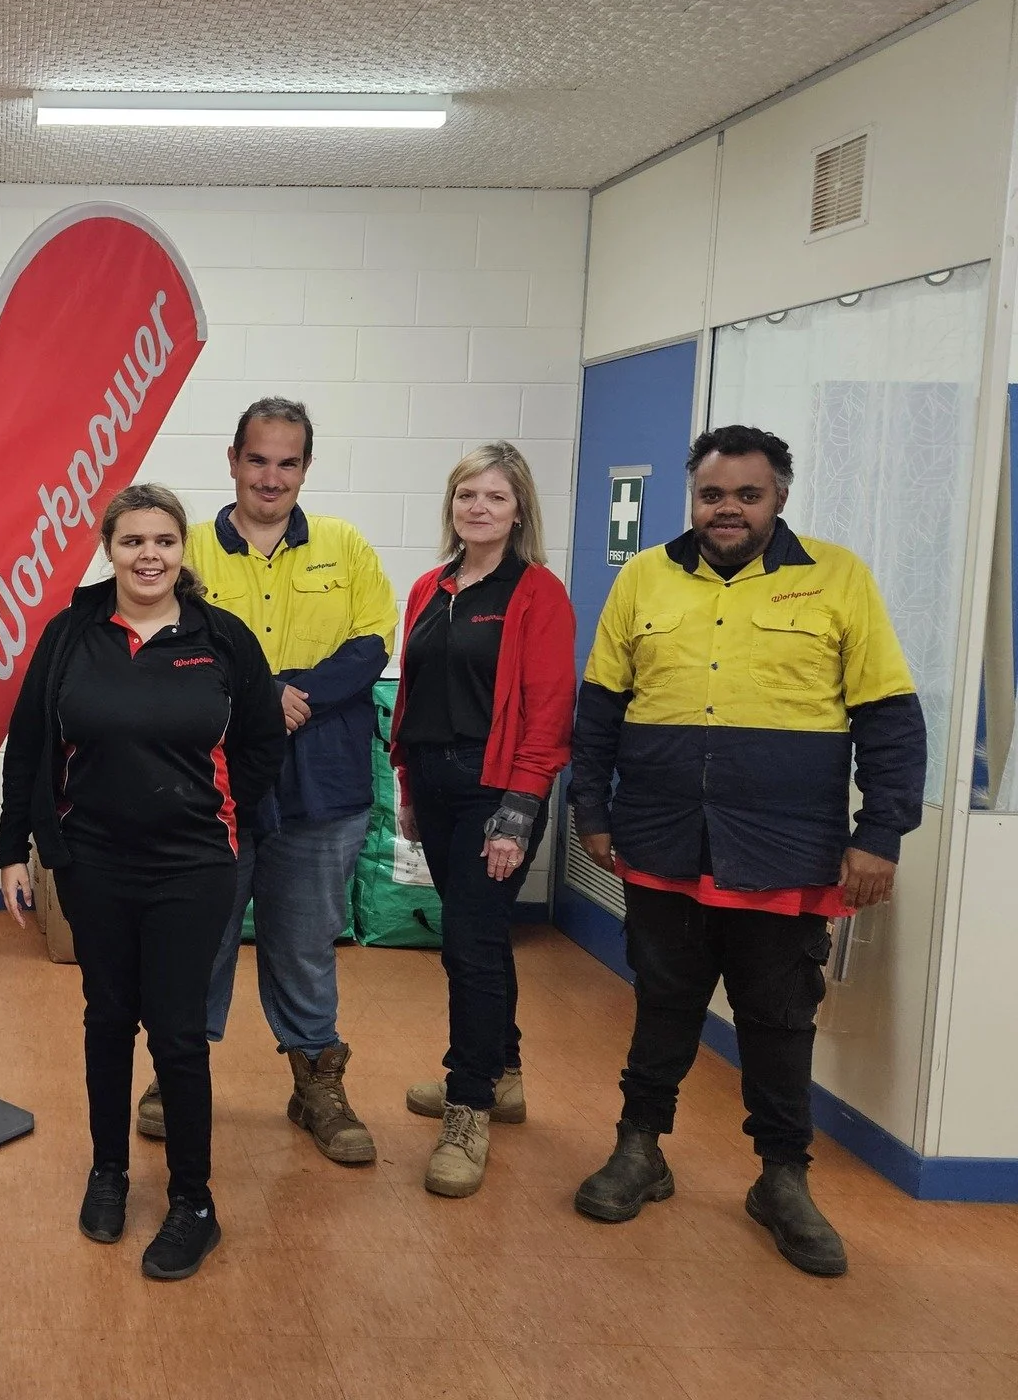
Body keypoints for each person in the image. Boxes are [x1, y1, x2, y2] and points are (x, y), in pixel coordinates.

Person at [570, 425, 926, 1277]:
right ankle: (640, 1147)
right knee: (663, 1003)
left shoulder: (837, 578)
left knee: (778, 1020)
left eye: (747, 495)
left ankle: (782, 1177)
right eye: (712, 494)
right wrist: (591, 811)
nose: (727, 509)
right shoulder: (645, 577)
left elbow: (889, 720)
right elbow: (599, 714)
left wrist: (880, 835)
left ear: (779, 498)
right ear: (693, 497)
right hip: (663, 841)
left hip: (785, 849)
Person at [0, 484, 287, 1281]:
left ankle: (194, 1201)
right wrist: (11, 848)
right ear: (110, 548)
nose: (148, 555)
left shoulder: (222, 640)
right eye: (132, 542)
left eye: (163, 541)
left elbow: (263, 742)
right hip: (91, 862)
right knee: (106, 1017)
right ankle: (109, 1171)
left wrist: (221, 814)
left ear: (182, 550)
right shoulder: (70, 634)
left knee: (179, 1030)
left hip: (193, 867)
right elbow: (28, 745)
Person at [139, 398, 395, 1166]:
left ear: (306, 469)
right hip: (209, 788)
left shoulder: (346, 548)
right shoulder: (188, 554)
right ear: (233, 460)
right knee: (199, 940)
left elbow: (373, 641)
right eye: (258, 460)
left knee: (307, 943)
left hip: (321, 785)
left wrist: (296, 693)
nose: (272, 477)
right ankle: (173, 1075)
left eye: (288, 463)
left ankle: (316, 1081)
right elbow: (160, 644)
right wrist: (259, 697)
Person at [389, 443, 575, 1197]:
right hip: (432, 785)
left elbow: (549, 709)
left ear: (519, 509)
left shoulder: (537, 592)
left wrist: (519, 811)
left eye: (494, 497)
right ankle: (504, 1076)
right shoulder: (430, 588)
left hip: (494, 792)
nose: (477, 508)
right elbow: (415, 691)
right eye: (466, 494)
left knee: (468, 945)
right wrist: (405, 782)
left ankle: (468, 1105)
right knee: (481, 938)